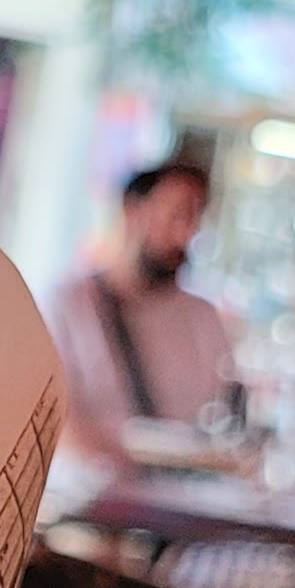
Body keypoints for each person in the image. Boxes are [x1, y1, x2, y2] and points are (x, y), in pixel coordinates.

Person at [50, 159, 237, 463]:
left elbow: (223, 419)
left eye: (195, 219)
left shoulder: (202, 317)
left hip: (174, 487)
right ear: (132, 211)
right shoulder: (68, 304)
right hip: (88, 485)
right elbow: (52, 418)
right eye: (176, 215)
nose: (185, 235)